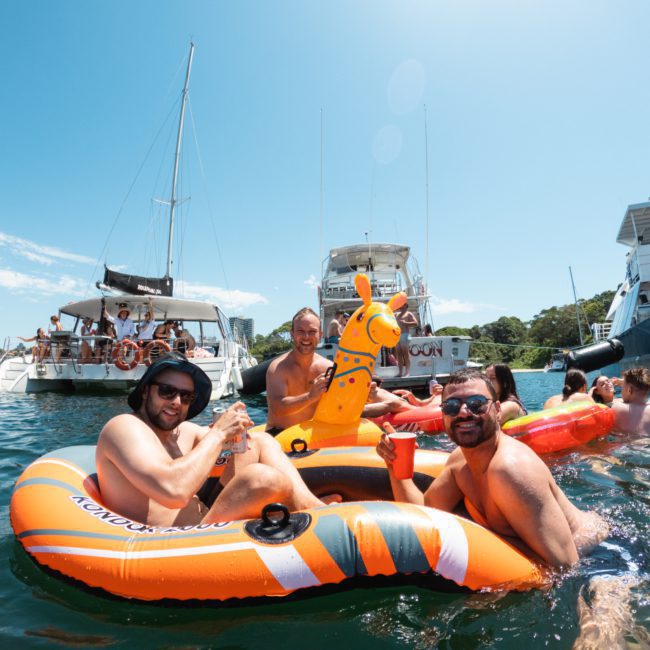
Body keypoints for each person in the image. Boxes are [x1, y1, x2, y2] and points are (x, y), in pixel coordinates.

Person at [376, 369, 608, 568]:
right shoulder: (459, 462)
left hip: (598, 557)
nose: (464, 412)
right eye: (452, 406)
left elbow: (565, 565)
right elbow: (425, 512)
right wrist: (394, 463)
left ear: (497, 410)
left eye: (476, 404)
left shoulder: (510, 470)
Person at [96, 352, 325, 527]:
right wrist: (218, 434)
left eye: (186, 396)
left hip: (208, 522)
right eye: (167, 391)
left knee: (261, 441)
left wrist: (235, 428)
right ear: (146, 391)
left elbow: (235, 445)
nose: (177, 401)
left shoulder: (182, 432)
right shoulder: (125, 426)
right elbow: (173, 491)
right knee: (263, 479)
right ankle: (320, 522)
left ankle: (318, 512)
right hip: (172, 545)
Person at [265, 307, 332, 434]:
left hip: (314, 436)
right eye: (301, 331)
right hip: (280, 435)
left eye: (312, 331)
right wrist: (310, 397)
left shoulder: (328, 368)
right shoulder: (278, 368)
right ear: (292, 334)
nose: (306, 337)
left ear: (320, 335)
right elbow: (277, 408)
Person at [611, 367, 650, 435]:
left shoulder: (618, 407)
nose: (621, 390)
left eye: (622, 387)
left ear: (629, 390)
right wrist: (626, 383)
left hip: (631, 445)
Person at [395, 304, 418, 377]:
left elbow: (416, 323)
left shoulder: (409, 313)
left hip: (405, 335)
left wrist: (406, 323)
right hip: (397, 336)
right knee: (398, 354)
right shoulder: (396, 314)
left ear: (406, 306)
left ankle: (407, 372)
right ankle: (400, 372)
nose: (400, 307)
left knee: (405, 354)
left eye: (402, 305)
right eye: (400, 305)